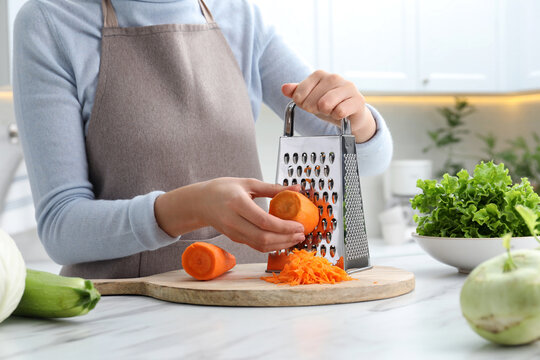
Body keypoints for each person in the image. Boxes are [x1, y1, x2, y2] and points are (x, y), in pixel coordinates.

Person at [12, 0, 393, 278]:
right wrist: (191, 208)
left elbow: (368, 162)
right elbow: (60, 228)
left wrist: (357, 119)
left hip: (251, 301)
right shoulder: (50, 22)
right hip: (122, 318)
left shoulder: (240, 17)